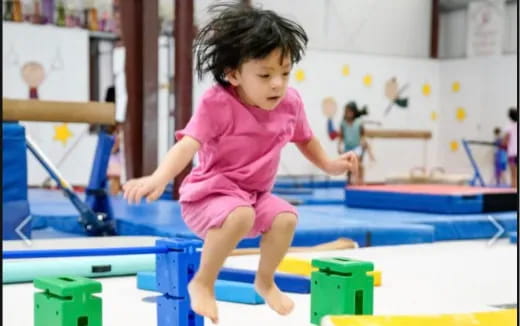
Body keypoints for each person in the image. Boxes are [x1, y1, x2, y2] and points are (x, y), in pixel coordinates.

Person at [122, 3, 358, 324]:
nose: (278, 83)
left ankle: (265, 280)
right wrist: (159, 177)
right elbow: (188, 143)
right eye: (265, 75)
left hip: (254, 196)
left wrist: (330, 165)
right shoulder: (218, 102)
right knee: (240, 214)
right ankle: (203, 282)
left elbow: (305, 139)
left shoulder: (290, 103)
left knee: (286, 217)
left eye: (285, 73)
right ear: (233, 74)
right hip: (208, 196)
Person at [337, 101, 377, 184]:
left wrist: (369, 152)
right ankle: (349, 182)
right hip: (348, 147)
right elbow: (341, 136)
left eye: (350, 111)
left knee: (358, 163)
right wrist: (339, 146)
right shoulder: (343, 123)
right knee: (348, 166)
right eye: (347, 111)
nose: (348, 113)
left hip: (357, 147)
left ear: (354, 112)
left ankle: (361, 181)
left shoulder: (358, 122)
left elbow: (362, 136)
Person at [503, 108, 518, 188]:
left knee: (513, 174)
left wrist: (502, 144)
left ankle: (513, 189)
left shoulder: (509, 126)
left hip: (512, 152)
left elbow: (505, 140)